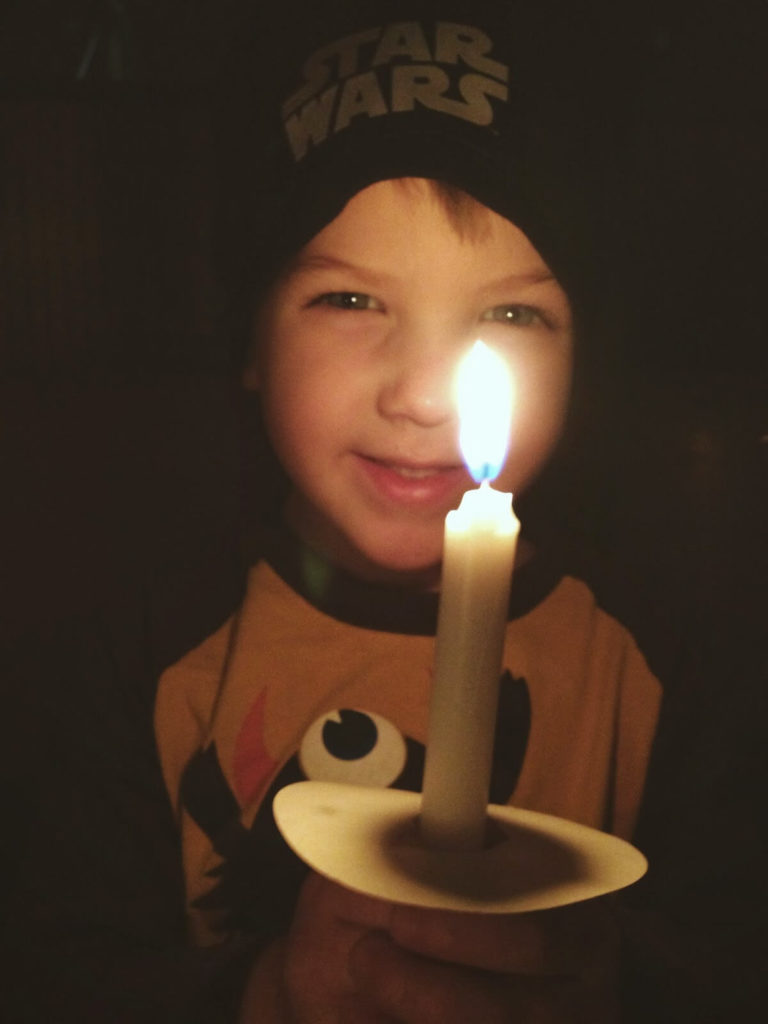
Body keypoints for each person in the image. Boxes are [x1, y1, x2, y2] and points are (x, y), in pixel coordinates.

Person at [7, 2, 663, 1021]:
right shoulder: (135, 661)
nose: (421, 394)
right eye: (350, 301)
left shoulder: (656, 667)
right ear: (251, 342)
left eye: (512, 314)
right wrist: (264, 992)